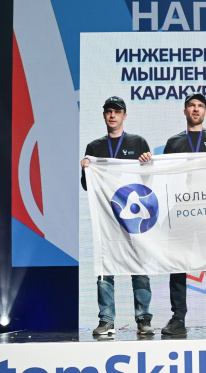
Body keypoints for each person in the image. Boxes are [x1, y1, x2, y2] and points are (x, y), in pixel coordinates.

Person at [153, 93, 206, 336]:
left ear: (205, 112)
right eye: (191, 106)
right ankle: (178, 317)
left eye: (200, 106)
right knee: (178, 264)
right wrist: (145, 162)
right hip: (182, 210)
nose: (196, 109)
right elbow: (161, 174)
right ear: (185, 111)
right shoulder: (174, 142)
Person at [81, 96, 154, 336]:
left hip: (133, 216)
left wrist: (148, 164)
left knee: (139, 267)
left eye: (117, 111)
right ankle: (106, 320)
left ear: (125, 115)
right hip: (107, 217)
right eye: (109, 111)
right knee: (105, 268)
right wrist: (85, 170)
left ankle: (143, 319)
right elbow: (87, 186)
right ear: (104, 115)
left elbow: (149, 181)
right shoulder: (94, 147)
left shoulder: (138, 142)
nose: (112, 115)